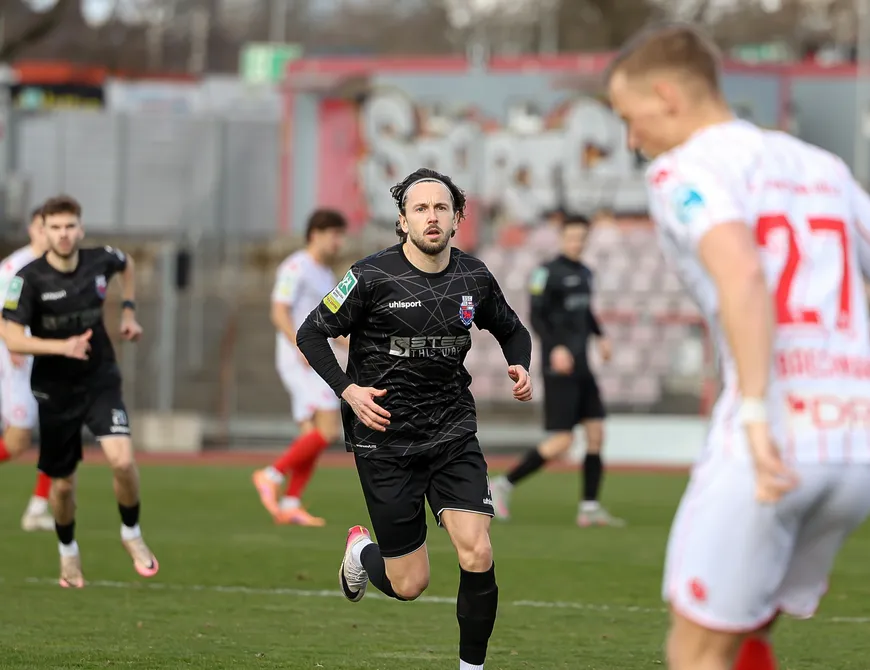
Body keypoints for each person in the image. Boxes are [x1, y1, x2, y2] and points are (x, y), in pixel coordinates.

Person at [607, 24, 870, 670]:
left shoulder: (683, 170)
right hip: (854, 444)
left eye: (629, 117)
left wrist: (753, 411)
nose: (631, 139)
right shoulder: (823, 166)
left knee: (696, 649)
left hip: (770, 439)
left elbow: (742, 270)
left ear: (667, 96)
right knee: (747, 627)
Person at [296, 167, 533, 670]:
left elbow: (513, 329)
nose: (432, 216)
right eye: (420, 208)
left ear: (457, 218)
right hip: (384, 439)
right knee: (410, 584)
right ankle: (362, 553)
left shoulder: (474, 277)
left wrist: (520, 363)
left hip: (451, 432)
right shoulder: (369, 276)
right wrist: (348, 391)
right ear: (402, 220)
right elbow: (310, 333)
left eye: (441, 207)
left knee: (478, 551)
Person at [1, 194, 158, 588]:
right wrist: (62, 346)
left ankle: (132, 533)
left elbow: (128, 264)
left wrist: (128, 311)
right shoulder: (26, 279)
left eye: (70, 226)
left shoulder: (100, 259)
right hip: (55, 389)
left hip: (100, 379)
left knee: (122, 461)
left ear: (80, 229)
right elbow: (12, 337)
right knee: (63, 485)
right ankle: (68, 553)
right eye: (55, 227)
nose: (63, 234)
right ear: (43, 231)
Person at [490, 214, 622, 527]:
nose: (577, 243)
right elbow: (536, 317)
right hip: (559, 367)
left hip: (583, 366)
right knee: (563, 441)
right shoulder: (545, 273)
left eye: (582, 238)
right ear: (563, 238)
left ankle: (589, 507)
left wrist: (600, 336)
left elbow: (586, 312)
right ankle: (502, 485)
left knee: (596, 433)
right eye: (572, 237)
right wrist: (556, 348)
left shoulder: (586, 272)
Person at [252, 209, 348, 526]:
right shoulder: (296, 267)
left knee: (311, 436)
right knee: (329, 429)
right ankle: (271, 475)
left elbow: (331, 324)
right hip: (302, 359)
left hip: (315, 356)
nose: (339, 242)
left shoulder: (326, 275)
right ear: (315, 234)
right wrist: (300, 345)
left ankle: (291, 502)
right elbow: (278, 311)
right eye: (334, 234)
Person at [0, 206, 53, 531]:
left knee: (61, 431)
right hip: (19, 360)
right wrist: (12, 342)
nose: (50, 233)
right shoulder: (15, 267)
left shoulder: (62, 267)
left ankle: (38, 508)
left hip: (51, 358)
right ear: (33, 229)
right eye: (43, 227)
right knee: (17, 441)